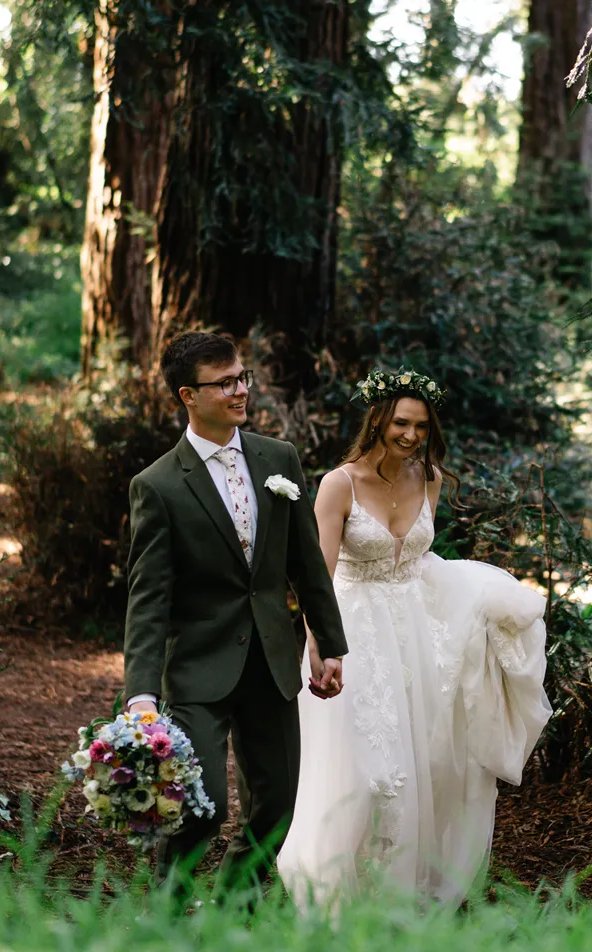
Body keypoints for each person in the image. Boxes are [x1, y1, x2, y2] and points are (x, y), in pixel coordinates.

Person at [276, 368, 551, 907]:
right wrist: (318, 647)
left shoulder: (430, 478)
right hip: (355, 634)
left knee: (427, 763)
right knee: (365, 771)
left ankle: (403, 894)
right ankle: (340, 887)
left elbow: (422, 560)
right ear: (377, 418)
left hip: (419, 636)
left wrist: (477, 605)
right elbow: (317, 577)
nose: (410, 435)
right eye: (401, 423)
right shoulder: (340, 484)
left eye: (421, 426)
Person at [121, 331, 348, 891]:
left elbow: (306, 565)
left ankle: (232, 911)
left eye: (241, 377)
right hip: (198, 667)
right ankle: (168, 906)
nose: (240, 390)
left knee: (277, 807)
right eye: (224, 383)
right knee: (201, 807)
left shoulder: (279, 460)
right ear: (187, 396)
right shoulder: (157, 486)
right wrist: (141, 695)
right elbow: (148, 599)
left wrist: (329, 644)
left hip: (271, 662)